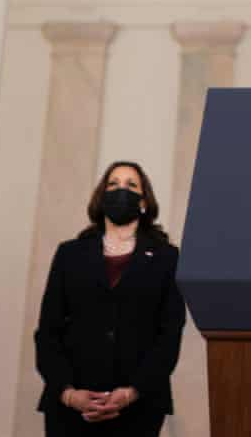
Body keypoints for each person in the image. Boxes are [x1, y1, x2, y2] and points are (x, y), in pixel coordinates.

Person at [34, 161, 186, 436]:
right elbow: (48, 331)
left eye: (131, 185)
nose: (121, 190)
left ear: (143, 201)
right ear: (102, 197)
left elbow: (170, 335)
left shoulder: (167, 258)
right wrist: (68, 393)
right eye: (113, 184)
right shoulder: (70, 254)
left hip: (139, 407)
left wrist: (131, 392)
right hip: (71, 407)